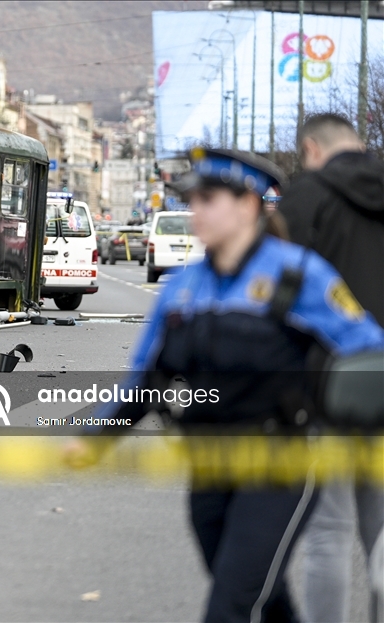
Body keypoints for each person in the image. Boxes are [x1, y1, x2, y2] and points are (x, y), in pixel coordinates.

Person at [66, 147, 384, 623]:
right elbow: (147, 377)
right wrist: (96, 436)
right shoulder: (184, 287)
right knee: (260, 594)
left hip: (282, 465)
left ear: (247, 205)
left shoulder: (299, 277)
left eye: (207, 199)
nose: (194, 211)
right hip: (211, 464)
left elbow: (367, 350)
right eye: (192, 200)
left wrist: (346, 412)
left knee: (231, 606)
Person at [278, 113, 384, 623]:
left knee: (329, 533)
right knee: (382, 534)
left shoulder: (307, 196)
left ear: (312, 149)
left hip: (329, 386)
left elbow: (277, 293)